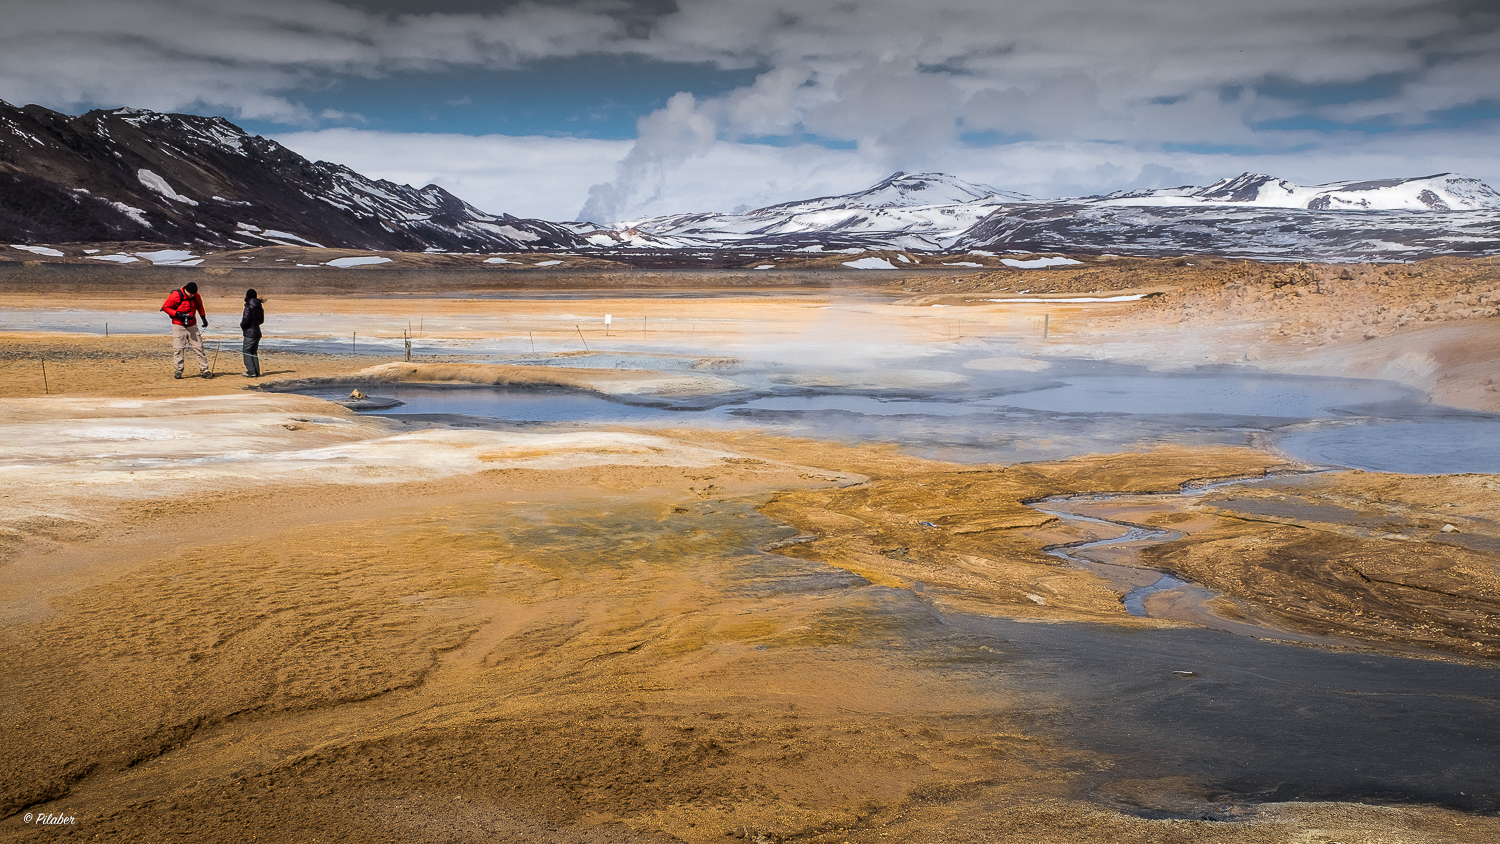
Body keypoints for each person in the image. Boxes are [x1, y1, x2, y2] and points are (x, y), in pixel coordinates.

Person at [161, 281, 210, 379]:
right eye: (191, 294)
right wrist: (178, 314)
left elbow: (200, 306)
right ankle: (178, 371)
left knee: (199, 347)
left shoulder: (196, 296)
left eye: (194, 294)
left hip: (192, 325)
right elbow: (165, 307)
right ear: (186, 291)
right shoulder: (176, 295)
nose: (192, 296)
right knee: (178, 349)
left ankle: (205, 370)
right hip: (179, 325)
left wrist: (203, 318)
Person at [239, 288, 265, 377]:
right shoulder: (259, 306)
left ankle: (251, 371)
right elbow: (261, 320)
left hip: (250, 333)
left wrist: (242, 326)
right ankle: (256, 372)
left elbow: (245, 320)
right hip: (257, 332)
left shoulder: (248, 305)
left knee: (246, 351)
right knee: (253, 352)